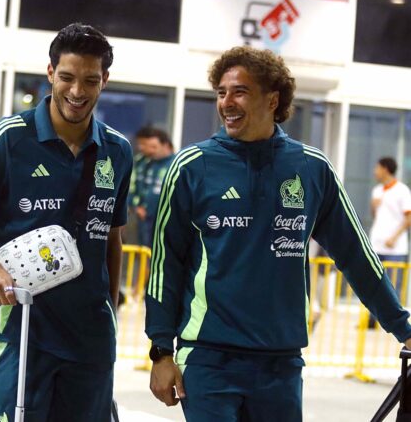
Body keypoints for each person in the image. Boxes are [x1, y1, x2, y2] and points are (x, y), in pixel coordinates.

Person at [145, 46, 411, 421]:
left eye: (240, 91)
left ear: (273, 99)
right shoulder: (192, 167)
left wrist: (403, 327)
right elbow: (165, 265)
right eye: (221, 92)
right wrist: (161, 350)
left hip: (281, 365)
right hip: (208, 360)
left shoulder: (312, 168)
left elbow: (356, 256)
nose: (227, 102)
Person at [0, 23, 132, 421]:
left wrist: (110, 309)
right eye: (66, 78)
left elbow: (113, 237)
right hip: (25, 330)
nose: (77, 92)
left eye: (90, 81)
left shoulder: (117, 151)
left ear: (105, 81)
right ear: (50, 73)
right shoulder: (10, 139)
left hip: (91, 339)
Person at [367, 156, 411, 327]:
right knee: (373, 283)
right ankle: (372, 320)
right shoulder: (377, 191)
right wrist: (373, 205)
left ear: (385, 169)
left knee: (392, 287)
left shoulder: (402, 191)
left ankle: (395, 324)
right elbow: (376, 216)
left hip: (396, 249)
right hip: (376, 245)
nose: (374, 171)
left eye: (377, 167)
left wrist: (394, 237)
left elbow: (408, 218)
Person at [130, 127, 174, 248]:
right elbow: (135, 187)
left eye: (154, 147)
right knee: (144, 253)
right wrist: (137, 206)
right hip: (144, 219)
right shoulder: (144, 163)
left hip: (165, 220)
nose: (149, 150)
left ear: (165, 145)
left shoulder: (177, 164)